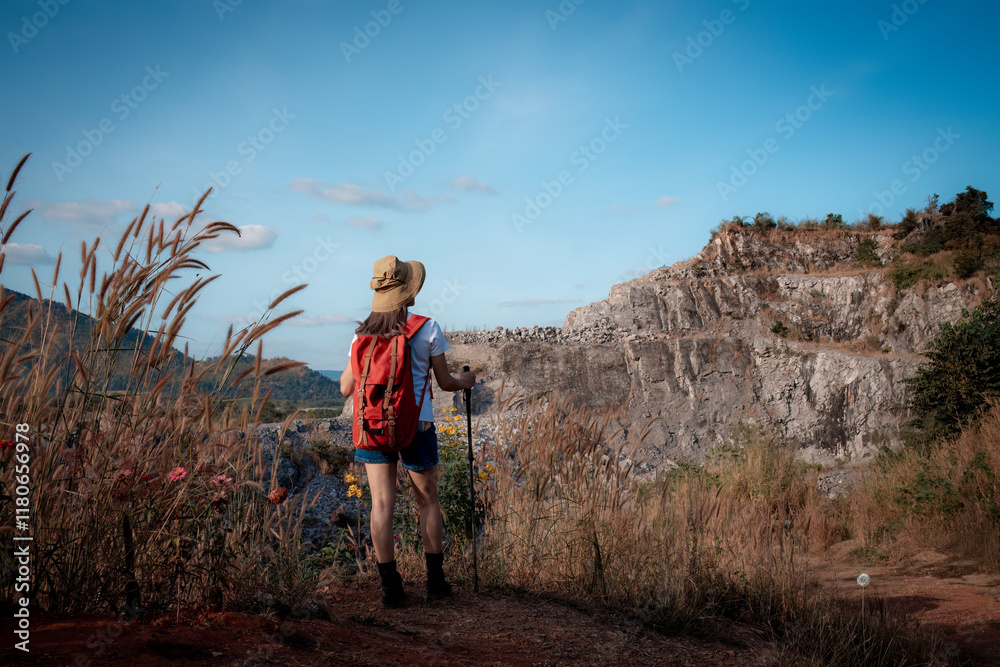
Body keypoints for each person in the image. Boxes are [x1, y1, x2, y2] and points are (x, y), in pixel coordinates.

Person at [340, 255, 476, 608]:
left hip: (372, 427)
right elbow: (445, 383)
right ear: (407, 292)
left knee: (381, 505)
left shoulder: (360, 336)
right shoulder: (427, 328)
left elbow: (344, 388)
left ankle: (391, 588)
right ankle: (435, 583)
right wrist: (467, 381)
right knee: (427, 500)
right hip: (417, 425)